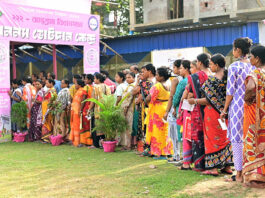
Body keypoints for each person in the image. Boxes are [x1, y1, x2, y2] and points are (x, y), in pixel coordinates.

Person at [189, 54, 233, 176]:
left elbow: (208, 100)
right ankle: (227, 166)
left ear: (217, 65)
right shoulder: (229, 78)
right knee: (225, 138)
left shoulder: (212, 81)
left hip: (212, 114)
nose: (210, 66)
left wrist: (195, 101)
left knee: (211, 139)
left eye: (212, 64)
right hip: (225, 113)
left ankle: (213, 168)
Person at [220, 37, 254, 182]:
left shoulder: (234, 67)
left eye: (233, 48)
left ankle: (239, 174)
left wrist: (225, 109)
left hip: (238, 106)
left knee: (237, 139)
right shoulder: (255, 66)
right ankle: (250, 171)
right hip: (252, 106)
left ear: (238, 50)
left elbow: (230, 92)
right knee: (250, 138)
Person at [181, 53, 211, 171]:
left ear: (199, 63)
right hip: (211, 110)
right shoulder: (212, 74)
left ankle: (199, 164)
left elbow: (188, 94)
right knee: (208, 137)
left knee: (197, 136)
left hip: (197, 110)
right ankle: (210, 164)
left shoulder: (195, 77)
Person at [243, 45, 265, 188]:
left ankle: (255, 178)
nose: (250, 59)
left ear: (257, 59)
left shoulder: (256, 73)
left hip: (254, 114)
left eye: (251, 56)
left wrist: (247, 98)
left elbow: (250, 88)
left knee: (253, 141)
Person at [145, 67, 173, 159]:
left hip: (157, 110)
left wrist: (145, 101)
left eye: (157, 75)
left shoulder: (157, 86)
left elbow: (149, 98)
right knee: (166, 131)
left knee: (157, 132)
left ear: (162, 77)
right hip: (166, 108)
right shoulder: (169, 84)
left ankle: (159, 153)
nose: (155, 76)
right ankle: (168, 151)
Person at [164, 59, 183, 163]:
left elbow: (172, 96)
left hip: (175, 109)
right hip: (184, 108)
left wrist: (167, 111)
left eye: (174, 67)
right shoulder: (186, 79)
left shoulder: (175, 80)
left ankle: (176, 155)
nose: (173, 69)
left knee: (174, 133)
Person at [132, 66, 154, 154]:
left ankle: (146, 148)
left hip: (146, 108)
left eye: (143, 71)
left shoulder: (146, 82)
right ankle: (147, 148)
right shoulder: (150, 81)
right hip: (148, 108)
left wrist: (138, 82)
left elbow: (133, 92)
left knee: (144, 128)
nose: (141, 74)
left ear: (149, 71)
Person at [88, 73, 111, 148]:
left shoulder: (96, 87)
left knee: (95, 126)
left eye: (94, 79)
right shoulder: (107, 87)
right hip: (105, 109)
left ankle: (96, 144)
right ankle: (104, 142)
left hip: (97, 110)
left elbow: (93, 100)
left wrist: (89, 109)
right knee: (104, 126)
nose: (94, 80)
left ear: (98, 79)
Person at [69, 79, 87, 147]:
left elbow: (83, 101)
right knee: (74, 126)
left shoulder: (83, 91)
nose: (75, 85)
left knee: (78, 126)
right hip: (74, 111)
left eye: (76, 84)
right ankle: (74, 141)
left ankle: (79, 141)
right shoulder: (78, 91)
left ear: (79, 85)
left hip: (78, 111)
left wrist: (81, 110)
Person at [120, 72, 135, 150]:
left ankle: (128, 145)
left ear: (133, 78)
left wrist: (125, 109)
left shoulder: (132, 87)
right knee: (126, 127)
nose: (127, 79)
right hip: (126, 108)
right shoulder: (128, 86)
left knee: (128, 127)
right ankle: (126, 144)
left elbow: (128, 99)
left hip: (129, 109)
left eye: (129, 77)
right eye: (126, 78)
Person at [80, 74, 94, 146]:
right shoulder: (93, 87)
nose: (84, 80)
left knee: (85, 125)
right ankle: (90, 141)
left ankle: (85, 141)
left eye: (86, 79)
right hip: (91, 107)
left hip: (86, 107)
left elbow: (84, 98)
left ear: (90, 80)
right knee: (90, 124)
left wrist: (81, 109)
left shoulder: (86, 87)